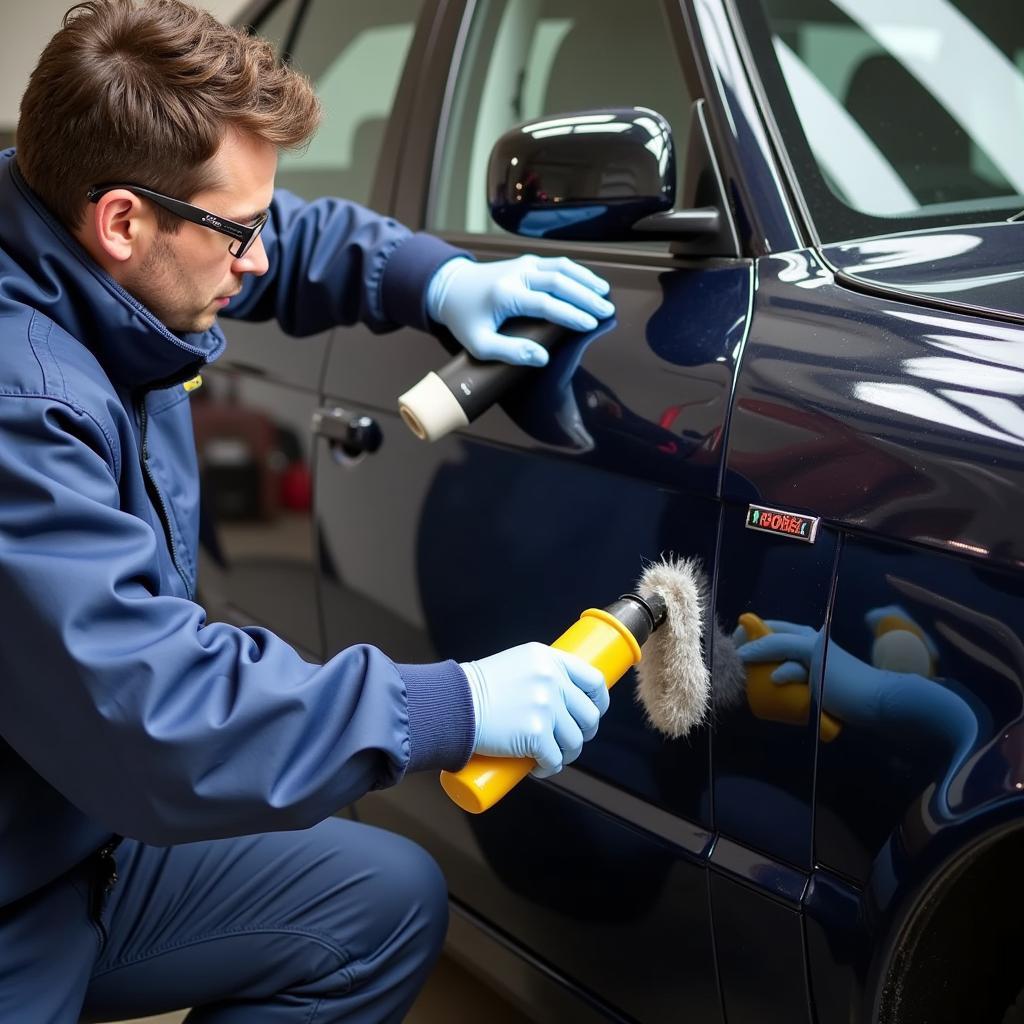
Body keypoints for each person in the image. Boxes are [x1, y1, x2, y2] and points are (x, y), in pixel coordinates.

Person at [0, 2, 618, 1020]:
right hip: (20, 882)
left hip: (68, 819)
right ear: (121, 222)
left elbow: (281, 235)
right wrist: (450, 707)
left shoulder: (79, 233)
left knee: (373, 904)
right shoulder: (26, 400)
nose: (256, 262)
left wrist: (437, 277)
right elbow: (152, 713)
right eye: (239, 233)